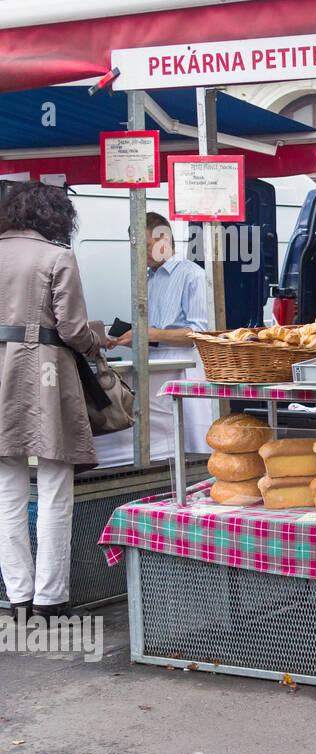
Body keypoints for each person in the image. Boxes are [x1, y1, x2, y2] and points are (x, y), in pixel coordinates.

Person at [0, 181, 101, 618]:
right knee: (57, 486)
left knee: (7, 491)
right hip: (44, 373)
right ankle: (50, 598)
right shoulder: (58, 256)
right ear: (56, 217)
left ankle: (18, 596)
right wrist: (99, 342)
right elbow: (74, 330)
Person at [108, 212, 215, 454]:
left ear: (164, 239)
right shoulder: (148, 279)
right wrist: (132, 338)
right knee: (165, 447)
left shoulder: (192, 275)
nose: (138, 253)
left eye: (144, 246)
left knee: (193, 443)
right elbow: (152, 332)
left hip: (187, 370)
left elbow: (200, 334)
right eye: (134, 247)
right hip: (155, 370)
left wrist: (150, 334)